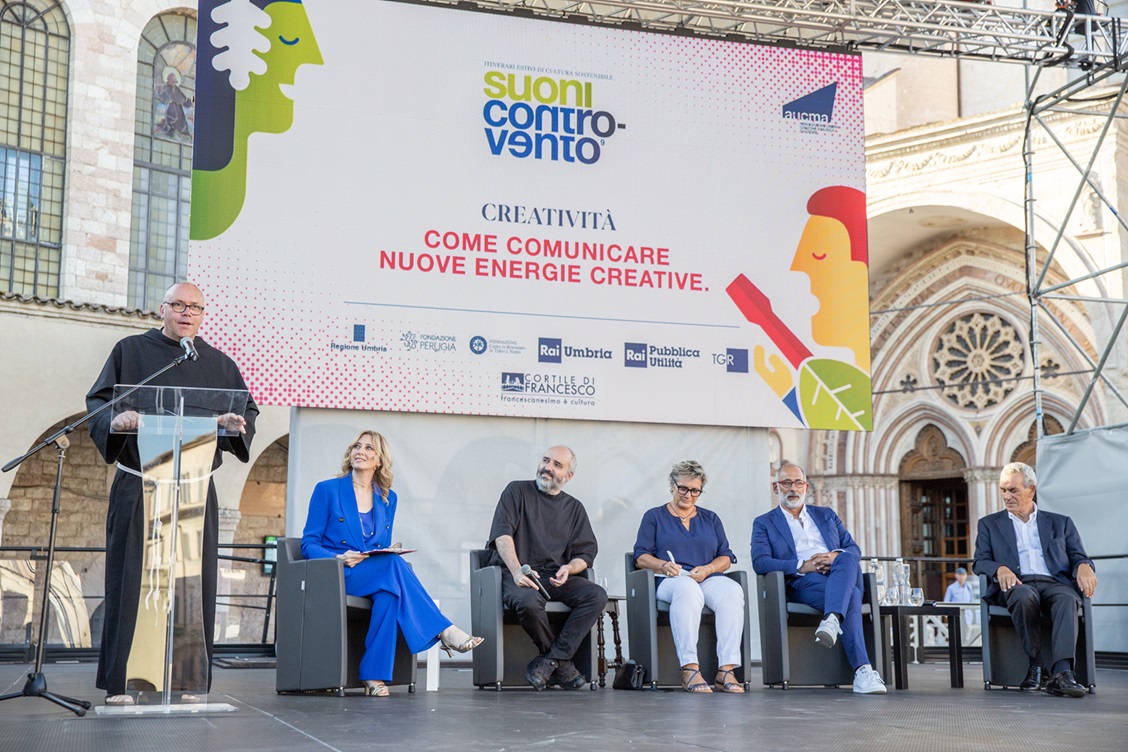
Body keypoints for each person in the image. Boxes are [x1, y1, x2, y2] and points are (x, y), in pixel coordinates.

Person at [86, 282, 258, 706]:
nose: (186, 313)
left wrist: (234, 425)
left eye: (195, 307)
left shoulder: (219, 364)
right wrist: (117, 419)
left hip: (194, 489)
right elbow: (100, 402)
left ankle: (187, 679)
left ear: (202, 315)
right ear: (162, 309)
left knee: (191, 580)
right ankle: (123, 682)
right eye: (178, 305)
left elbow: (246, 409)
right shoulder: (130, 352)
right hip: (140, 484)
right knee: (131, 578)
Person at [301, 431, 482, 697]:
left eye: (369, 448)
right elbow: (308, 543)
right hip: (337, 573)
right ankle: (444, 629)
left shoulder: (388, 498)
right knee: (394, 566)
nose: (360, 451)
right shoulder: (327, 490)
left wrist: (385, 552)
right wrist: (338, 557)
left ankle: (373, 676)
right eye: (357, 446)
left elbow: (380, 548)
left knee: (389, 594)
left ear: (379, 460)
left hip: (372, 573)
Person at [751, 462, 886, 694]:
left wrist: (833, 557)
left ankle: (832, 620)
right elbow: (760, 562)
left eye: (798, 483)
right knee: (852, 594)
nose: (793, 488)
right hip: (803, 581)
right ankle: (863, 670)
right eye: (786, 483)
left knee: (846, 557)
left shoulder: (826, 515)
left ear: (806, 487)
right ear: (776, 488)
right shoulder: (764, 522)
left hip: (837, 573)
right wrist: (802, 566)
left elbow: (853, 548)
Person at [486, 445, 607, 690]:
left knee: (596, 595)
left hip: (554, 577)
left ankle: (551, 661)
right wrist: (517, 570)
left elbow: (586, 553)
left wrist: (569, 568)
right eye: (546, 460)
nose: (547, 467)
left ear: (569, 476)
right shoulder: (516, 491)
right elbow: (502, 535)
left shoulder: (574, 508)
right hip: (517, 573)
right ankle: (563, 665)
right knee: (529, 602)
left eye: (557, 465)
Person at [973, 461, 1097, 698]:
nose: (1006, 496)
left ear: (1031, 490)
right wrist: (999, 568)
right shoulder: (989, 524)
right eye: (1003, 490)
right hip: (1017, 584)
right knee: (1023, 595)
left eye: (1013, 490)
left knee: (1067, 598)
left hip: (1054, 583)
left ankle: (1062, 673)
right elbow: (979, 561)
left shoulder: (1061, 522)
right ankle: (1036, 665)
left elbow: (1079, 556)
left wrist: (1084, 566)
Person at [632, 460, 745, 693]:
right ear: (672, 485)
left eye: (695, 490)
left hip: (706, 576)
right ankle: (690, 668)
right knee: (687, 589)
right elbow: (640, 557)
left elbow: (725, 557)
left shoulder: (711, 518)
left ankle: (726, 670)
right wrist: (664, 565)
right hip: (670, 579)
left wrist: (708, 569)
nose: (688, 495)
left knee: (732, 591)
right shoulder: (654, 516)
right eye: (683, 488)